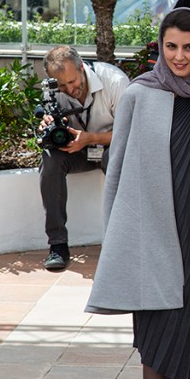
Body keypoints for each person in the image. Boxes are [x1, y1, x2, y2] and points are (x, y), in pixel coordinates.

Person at [86, 8, 190, 379]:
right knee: (157, 331)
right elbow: (117, 168)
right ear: (161, 47)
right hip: (151, 233)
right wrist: (114, 235)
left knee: (187, 329)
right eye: (171, 46)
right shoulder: (138, 94)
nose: (179, 56)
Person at [38, 45, 128, 271]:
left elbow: (131, 132)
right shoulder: (52, 91)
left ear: (81, 67)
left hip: (111, 147)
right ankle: (58, 244)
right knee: (50, 158)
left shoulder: (115, 81)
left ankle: (124, 241)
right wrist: (48, 126)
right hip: (76, 151)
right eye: (62, 85)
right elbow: (50, 132)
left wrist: (90, 138)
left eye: (73, 81)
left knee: (118, 157)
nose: (69, 89)